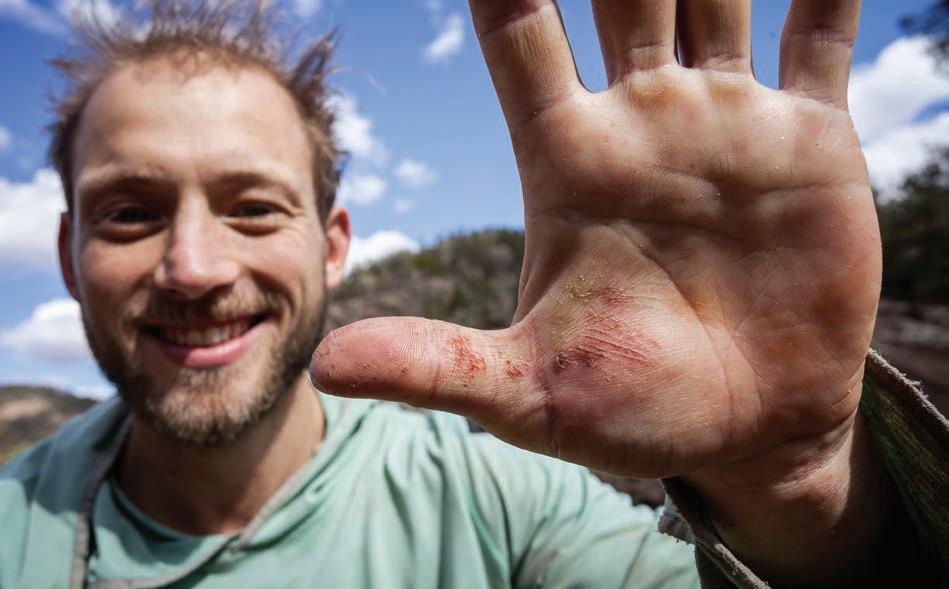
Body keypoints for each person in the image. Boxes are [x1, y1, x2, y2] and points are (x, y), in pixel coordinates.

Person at [1, 0, 946, 587]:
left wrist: (788, 486)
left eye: (252, 207)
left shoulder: (501, 502)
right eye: (129, 213)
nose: (194, 267)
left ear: (333, 246)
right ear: (68, 253)